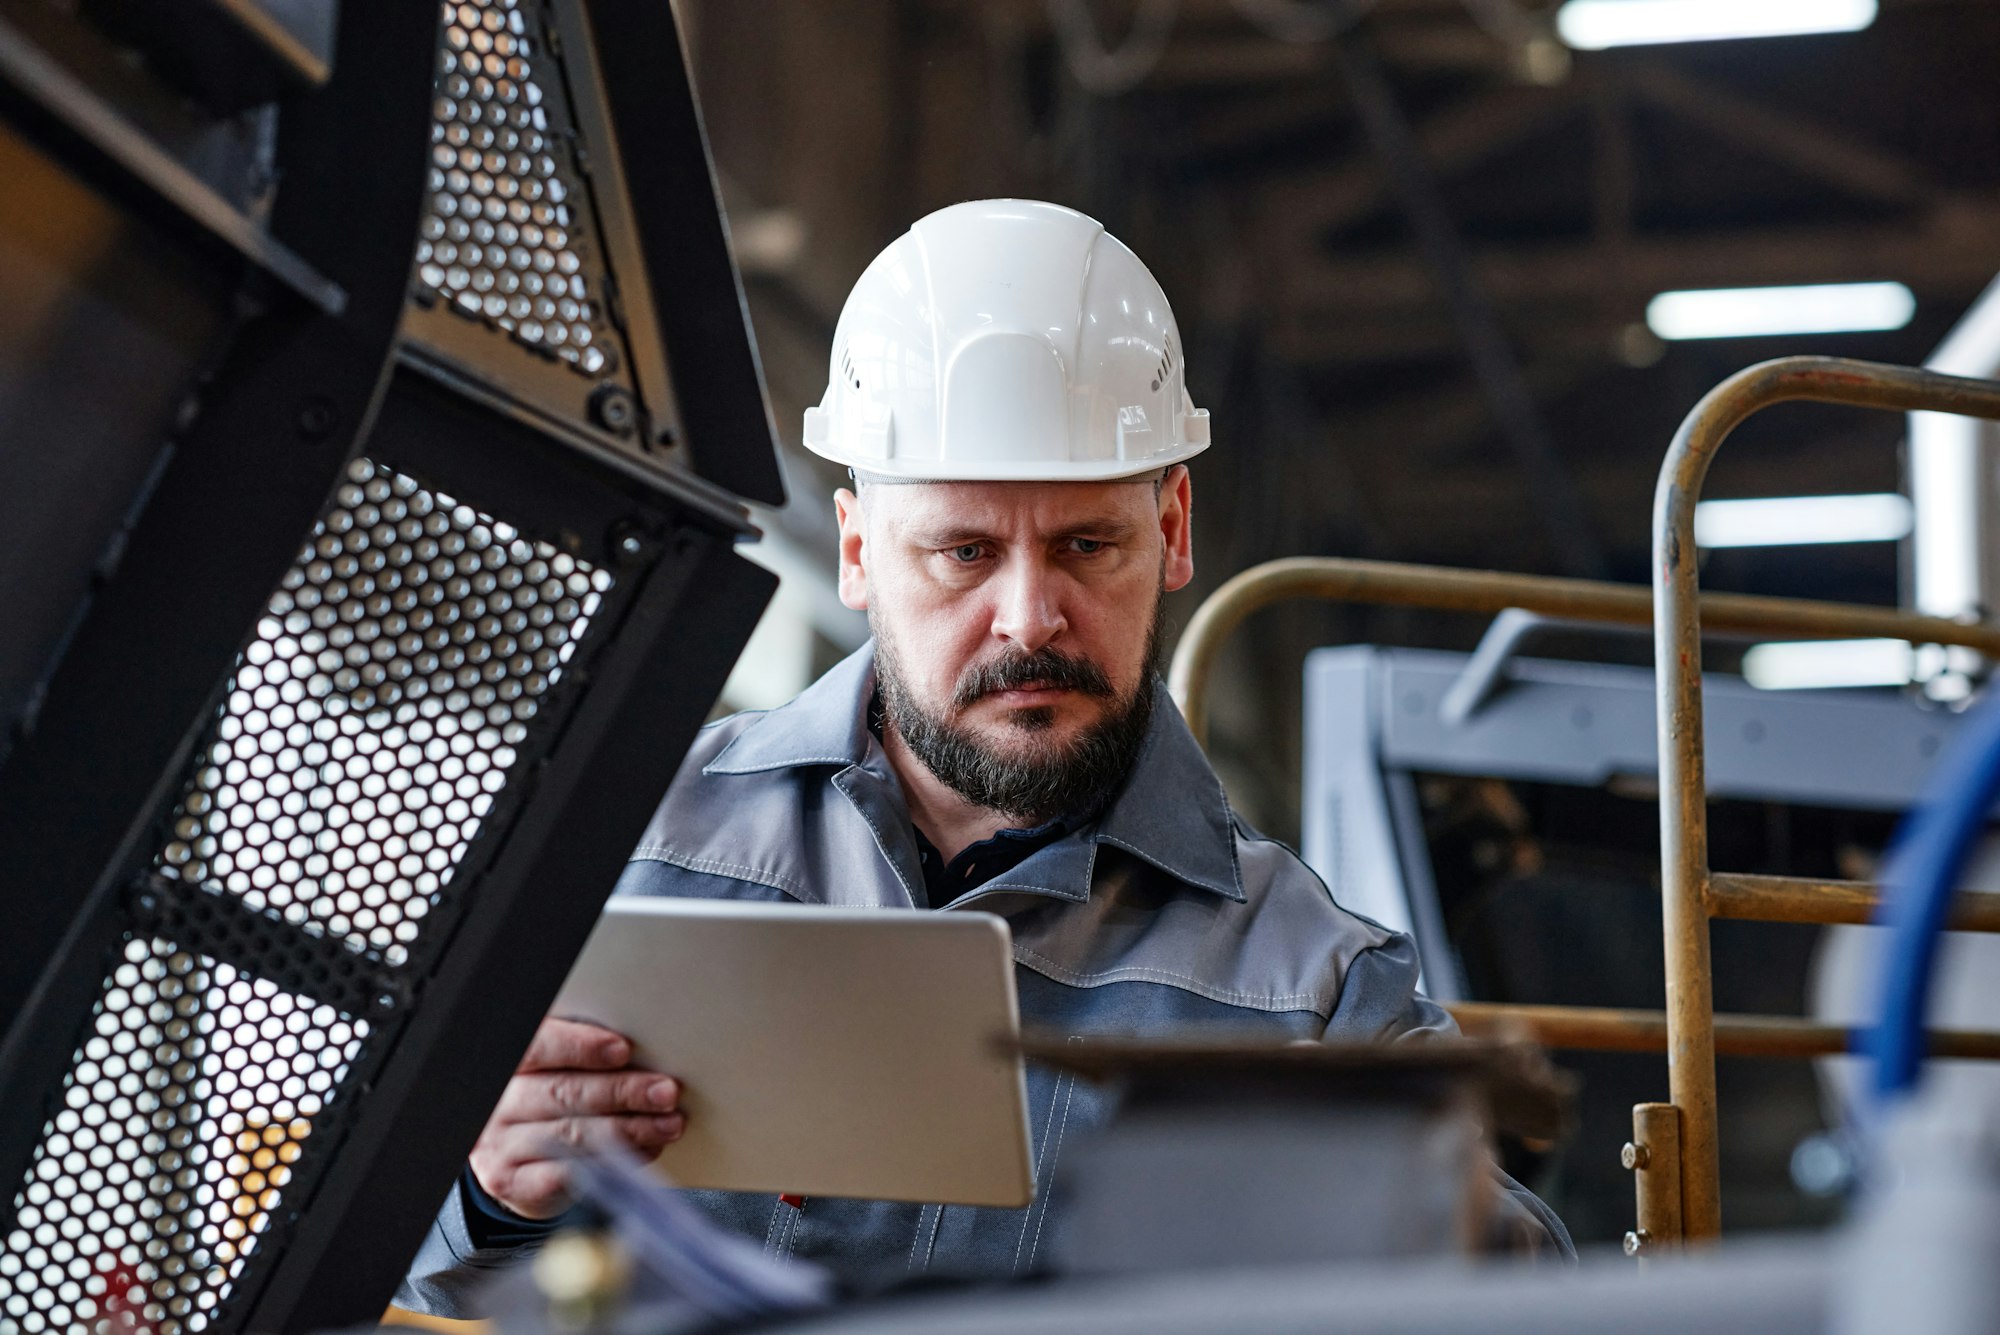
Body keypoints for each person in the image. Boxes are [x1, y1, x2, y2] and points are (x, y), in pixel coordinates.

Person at [398, 199, 1570, 1314]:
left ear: (1169, 533)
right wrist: (484, 1198)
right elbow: (380, 1277)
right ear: (857, 552)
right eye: (961, 552)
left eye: (1085, 544)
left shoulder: (1304, 988)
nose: (1028, 617)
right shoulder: (617, 844)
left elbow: (1539, 1308)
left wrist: (1407, 1219)